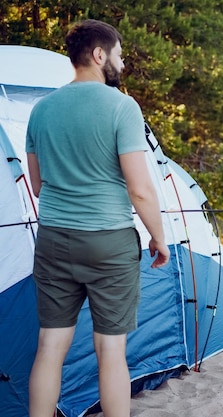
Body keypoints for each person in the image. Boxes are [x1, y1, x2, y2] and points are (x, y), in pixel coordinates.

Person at [25, 19, 170, 417]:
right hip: (109, 242)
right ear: (99, 54)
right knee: (111, 351)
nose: (121, 64)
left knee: (50, 347)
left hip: (54, 240)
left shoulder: (41, 110)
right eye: (119, 55)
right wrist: (159, 237)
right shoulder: (122, 107)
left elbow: (38, 186)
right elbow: (139, 189)